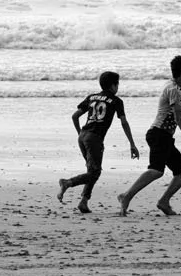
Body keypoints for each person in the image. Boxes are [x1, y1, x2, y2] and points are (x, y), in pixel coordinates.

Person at [117, 54, 181, 217]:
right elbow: (178, 119)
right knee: (156, 170)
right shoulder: (173, 88)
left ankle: (163, 202)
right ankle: (126, 196)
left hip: (164, 137)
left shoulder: (174, 85)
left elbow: (176, 106)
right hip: (158, 135)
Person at [57, 70, 137, 214]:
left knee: (91, 170)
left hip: (83, 136)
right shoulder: (116, 101)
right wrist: (132, 143)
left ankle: (83, 202)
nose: (118, 87)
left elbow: (75, 116)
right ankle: (68, 182)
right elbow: (124, 122)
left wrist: (80, 134)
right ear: (113, 86)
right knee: (95, 173)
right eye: (117, 84)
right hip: (95, 138)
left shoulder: (91, 97)